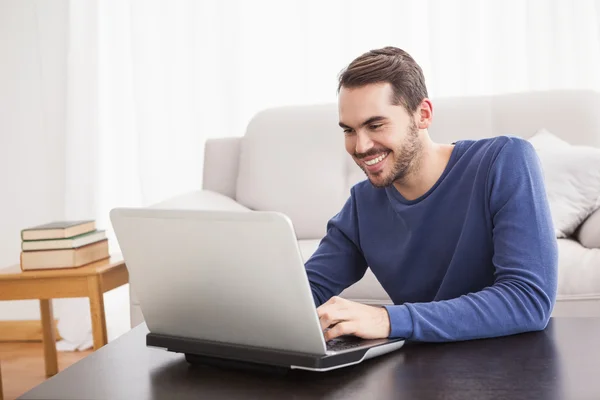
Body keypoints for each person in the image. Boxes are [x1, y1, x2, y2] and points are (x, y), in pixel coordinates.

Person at [306, 46, 558, 343]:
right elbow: (303, 293)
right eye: (349, 130)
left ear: (422, 115)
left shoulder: (503, 161)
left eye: (375, 125)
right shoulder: (363, 204)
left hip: (509, 367)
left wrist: (388, 319)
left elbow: (528, 300)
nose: (360, 147)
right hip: (417, 371)